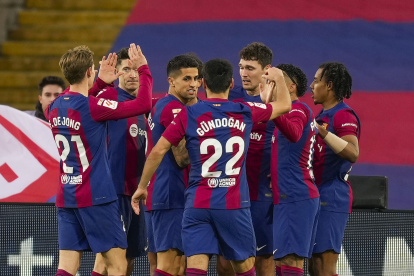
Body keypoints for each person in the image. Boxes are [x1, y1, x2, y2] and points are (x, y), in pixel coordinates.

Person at [131, 58, 292, 276]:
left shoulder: (189, 113)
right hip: (233, 204)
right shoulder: (244, 111)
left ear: (203, 83)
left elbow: (157, 151)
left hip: (197, 204)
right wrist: (280, 78)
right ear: (232, 83)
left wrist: (142, 186)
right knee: (244, 269)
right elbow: (285, 106)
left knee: (194, 267)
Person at [45, 44, 152, 276]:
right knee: (117, 265)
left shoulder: (53, 107)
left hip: (66, 196)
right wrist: (144, 70)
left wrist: (100, 83)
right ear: (88, 72)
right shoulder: (93, 107)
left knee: (67, 267)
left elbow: (73, 96)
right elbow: (143, 105)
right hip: (96, 197)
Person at [88, 47, 150, 276]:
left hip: (135, 193)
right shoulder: (109, 97)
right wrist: (100, 84)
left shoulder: (144, 107)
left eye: (136, 70)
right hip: (112, 191)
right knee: (107, 260)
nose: (133, 75)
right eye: (127, 69)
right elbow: (83, 102)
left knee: (129, 257)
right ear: (117, 73)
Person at [142, 54, 202, 276]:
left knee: (160, 265)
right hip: (172, 195)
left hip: (158, 193)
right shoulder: (175, 109)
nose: (194, 84)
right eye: (187, 79)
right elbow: (182, 157)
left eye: (196, 78)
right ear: (171, 80)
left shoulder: (160, 104)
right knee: (173, 266)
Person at [219, 42, 275, 276]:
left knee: (263, 260)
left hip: (262, 191)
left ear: (266, 70)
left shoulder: (279, 102)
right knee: (225, 261)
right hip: (228, 190)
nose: (243, 73)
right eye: (241, 67)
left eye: (250, 68)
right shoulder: (229, 98)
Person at [308, 62, 361, 276]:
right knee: (314, 267)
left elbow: (352, 152)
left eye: (316, 80)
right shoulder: (321, 118)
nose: (311, 85)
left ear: (329, 85)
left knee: (324, 268)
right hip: (315, 196)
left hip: (332, 196)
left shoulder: (343, 115)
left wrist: (323, 133)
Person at [268, 64, 320, 276]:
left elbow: (295, 134)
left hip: (296, 195)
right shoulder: (290, 111)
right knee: (282, 263)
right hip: (289, 196)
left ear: (290, 87)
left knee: (291, 262)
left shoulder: (297, 109)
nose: (268, 87)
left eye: (273, 82)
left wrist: (271, 108)